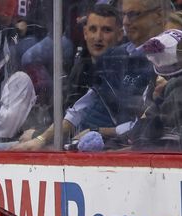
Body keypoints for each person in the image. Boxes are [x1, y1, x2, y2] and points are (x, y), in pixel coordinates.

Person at [12, 3, 124, 150]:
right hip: (69, 141)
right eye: (93, 29)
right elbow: (71, 111)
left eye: (106, 30)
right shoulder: (82, 64)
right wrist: (41, 134)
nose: (98, 37)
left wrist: (39, 136)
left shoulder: (126, 69)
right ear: (84, 32)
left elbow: (130, 128)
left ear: (120, 34)